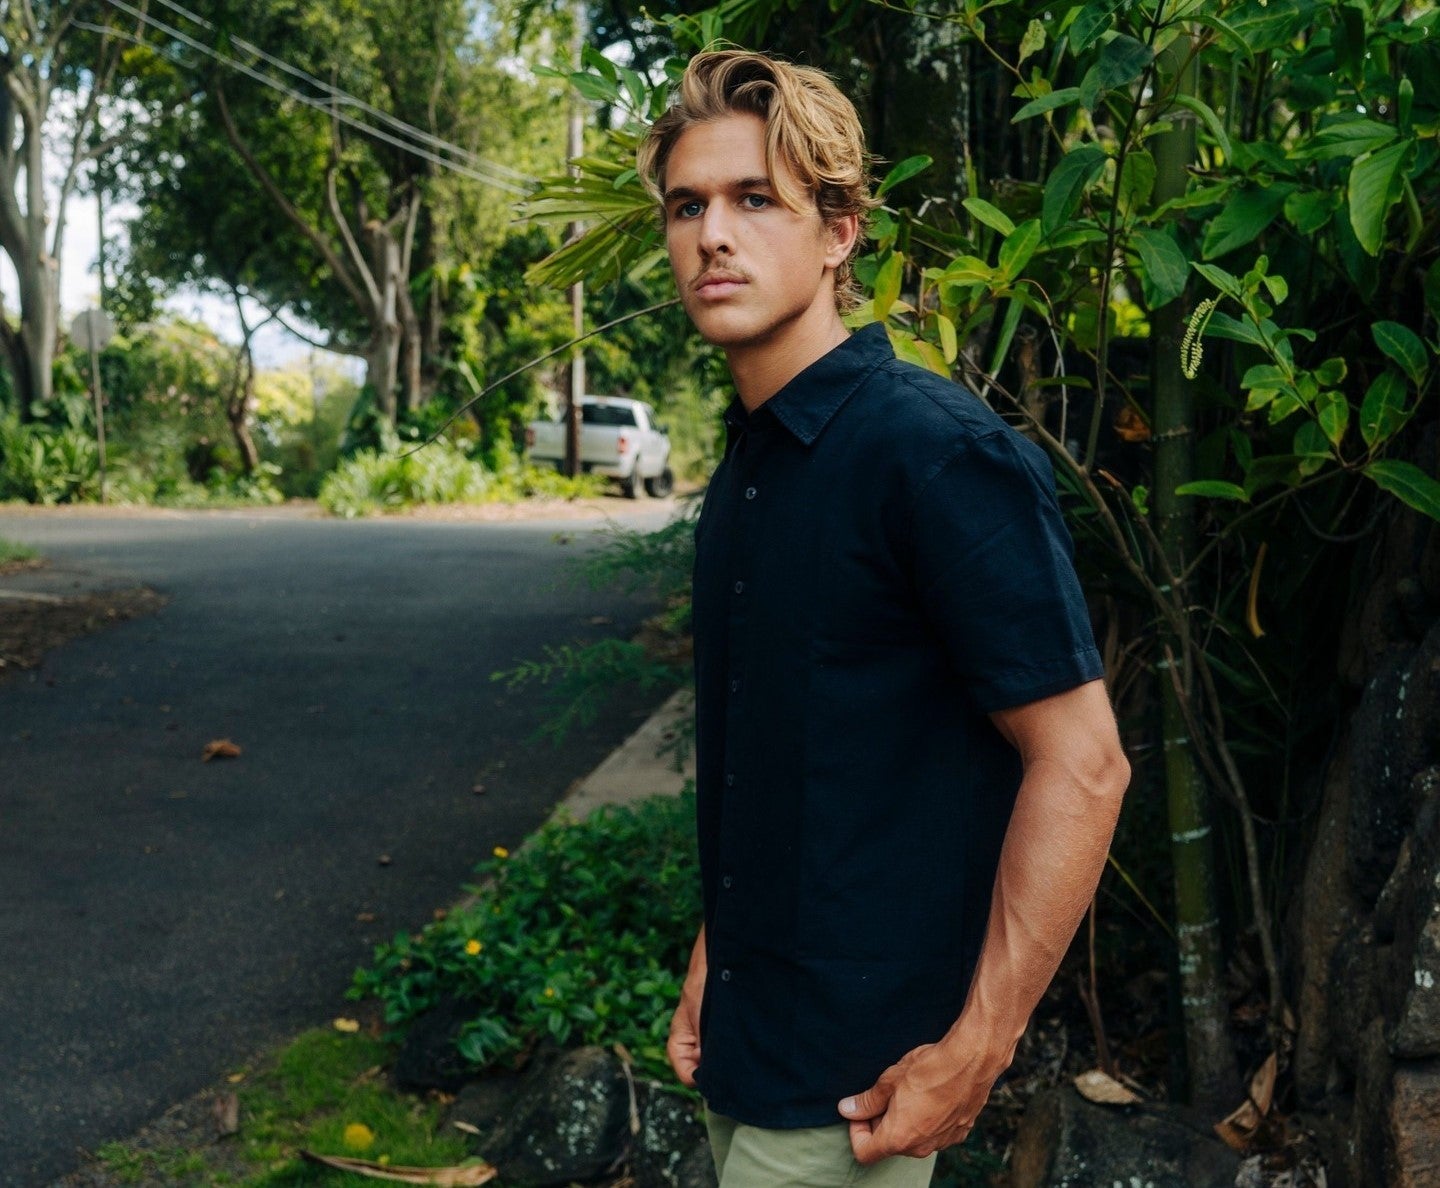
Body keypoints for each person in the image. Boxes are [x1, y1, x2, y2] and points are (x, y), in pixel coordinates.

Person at [638, 49, 1131, 1187]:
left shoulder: (933, 454)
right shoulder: (753, 466)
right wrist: (721, 950)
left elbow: (1084, 765)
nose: (713, 233)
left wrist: (980, 1047)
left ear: (839, 231)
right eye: (688, 204)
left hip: (862, 1089)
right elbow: (792, 752)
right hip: (750, 1048)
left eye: (755, 198)